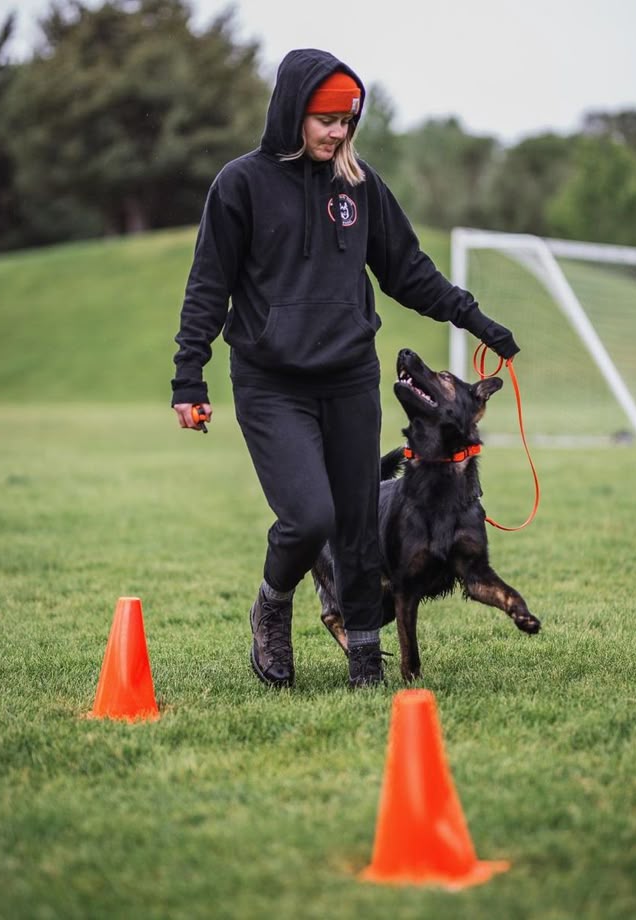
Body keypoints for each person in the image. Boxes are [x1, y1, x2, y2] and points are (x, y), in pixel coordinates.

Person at [171, 48, 519, 690]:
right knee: (311, 517)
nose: (337, 133)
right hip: (271, 381)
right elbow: (207, 286)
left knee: (359, 520)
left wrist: (474, 319)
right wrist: (188, 376)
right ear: (292, 111)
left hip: (350, 376)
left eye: (346, 122)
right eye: (326, 120)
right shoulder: (240, 185)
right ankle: (272, 604)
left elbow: (407, 270)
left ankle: (364, 656)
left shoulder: (358, 184)